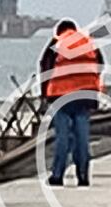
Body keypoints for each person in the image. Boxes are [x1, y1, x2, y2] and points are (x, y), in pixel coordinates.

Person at [40, 18, 103, 185]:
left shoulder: (57, 43)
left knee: (63, 137)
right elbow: (100, 66)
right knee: (82, 137)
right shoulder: (88, 42)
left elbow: (45, 68)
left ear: (59, 31)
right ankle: (83, 176)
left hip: (61, 96)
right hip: (85, 96)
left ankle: (57, 175)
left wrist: (44, 96)